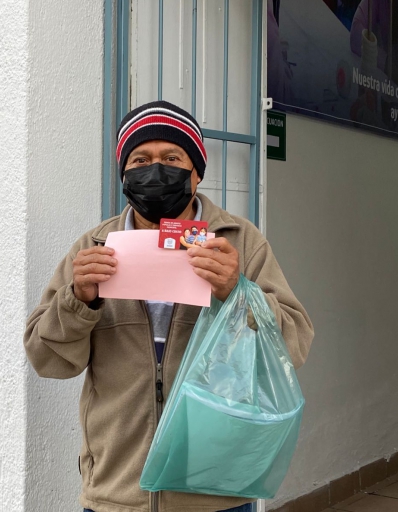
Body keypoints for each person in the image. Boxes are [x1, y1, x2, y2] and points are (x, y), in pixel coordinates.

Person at [24, 100, 314, 512]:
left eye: (171, 158)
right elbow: (46, 359)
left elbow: (294, 344)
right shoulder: (93, 248)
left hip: (215, 492)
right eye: (140, 159)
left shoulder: (239, 242)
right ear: (125, 174)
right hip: (118, 492)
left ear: (196, 173)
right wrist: (78, 299)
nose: (155, 170)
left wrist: (237, 291)